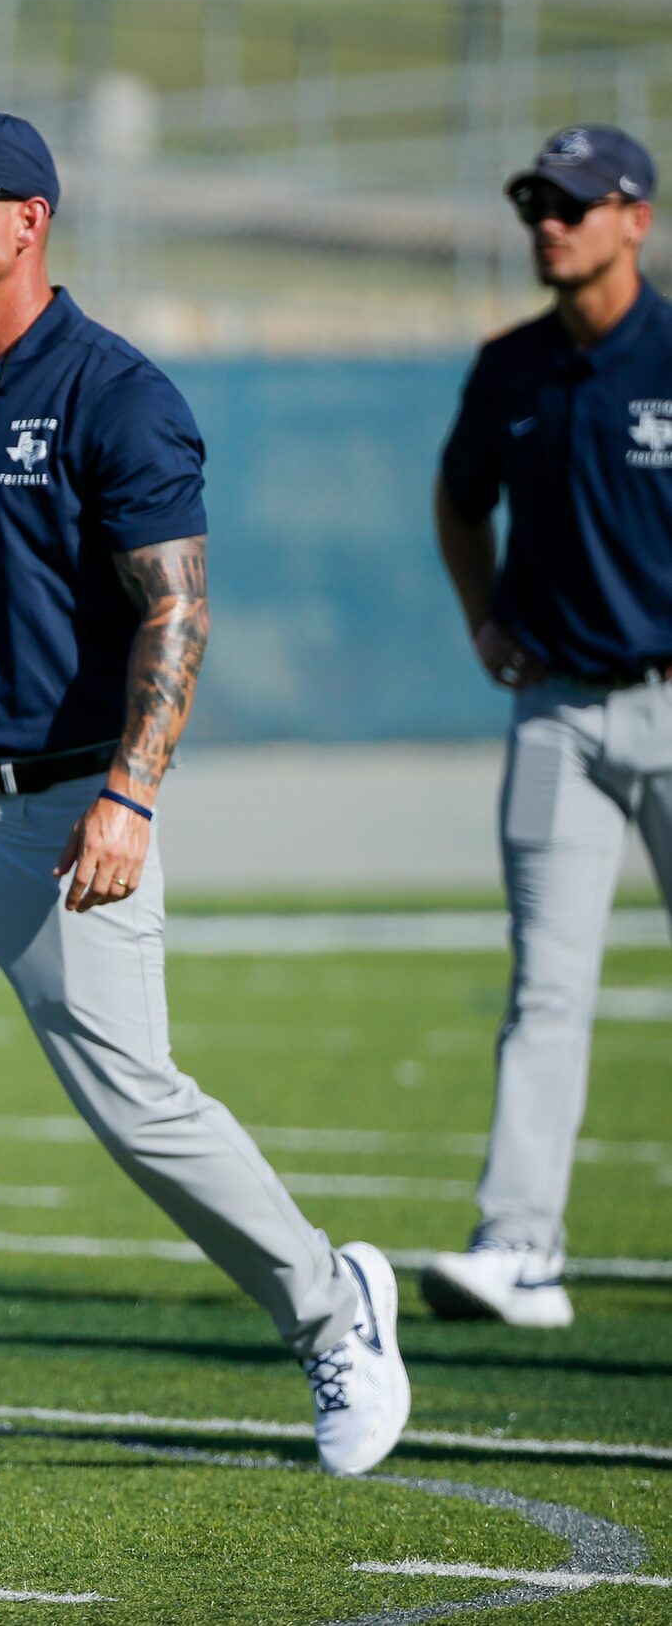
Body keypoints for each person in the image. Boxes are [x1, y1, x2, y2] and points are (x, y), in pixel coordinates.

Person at [0, 111, 411, 1484]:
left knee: (131, 1099)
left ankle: (328, 1307)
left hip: (64, 810)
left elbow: (172, 612)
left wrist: (125, 795)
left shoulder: (117, 394)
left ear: (28, 219)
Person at [426, 124, 665, 1331]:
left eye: (573, 203)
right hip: (555, 716)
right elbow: (458, 502)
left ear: (637, 217)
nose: (548, 223)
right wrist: (483, 622)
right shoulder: (510, 367)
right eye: (535, 203)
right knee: (546, 992)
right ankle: (519, 1248)